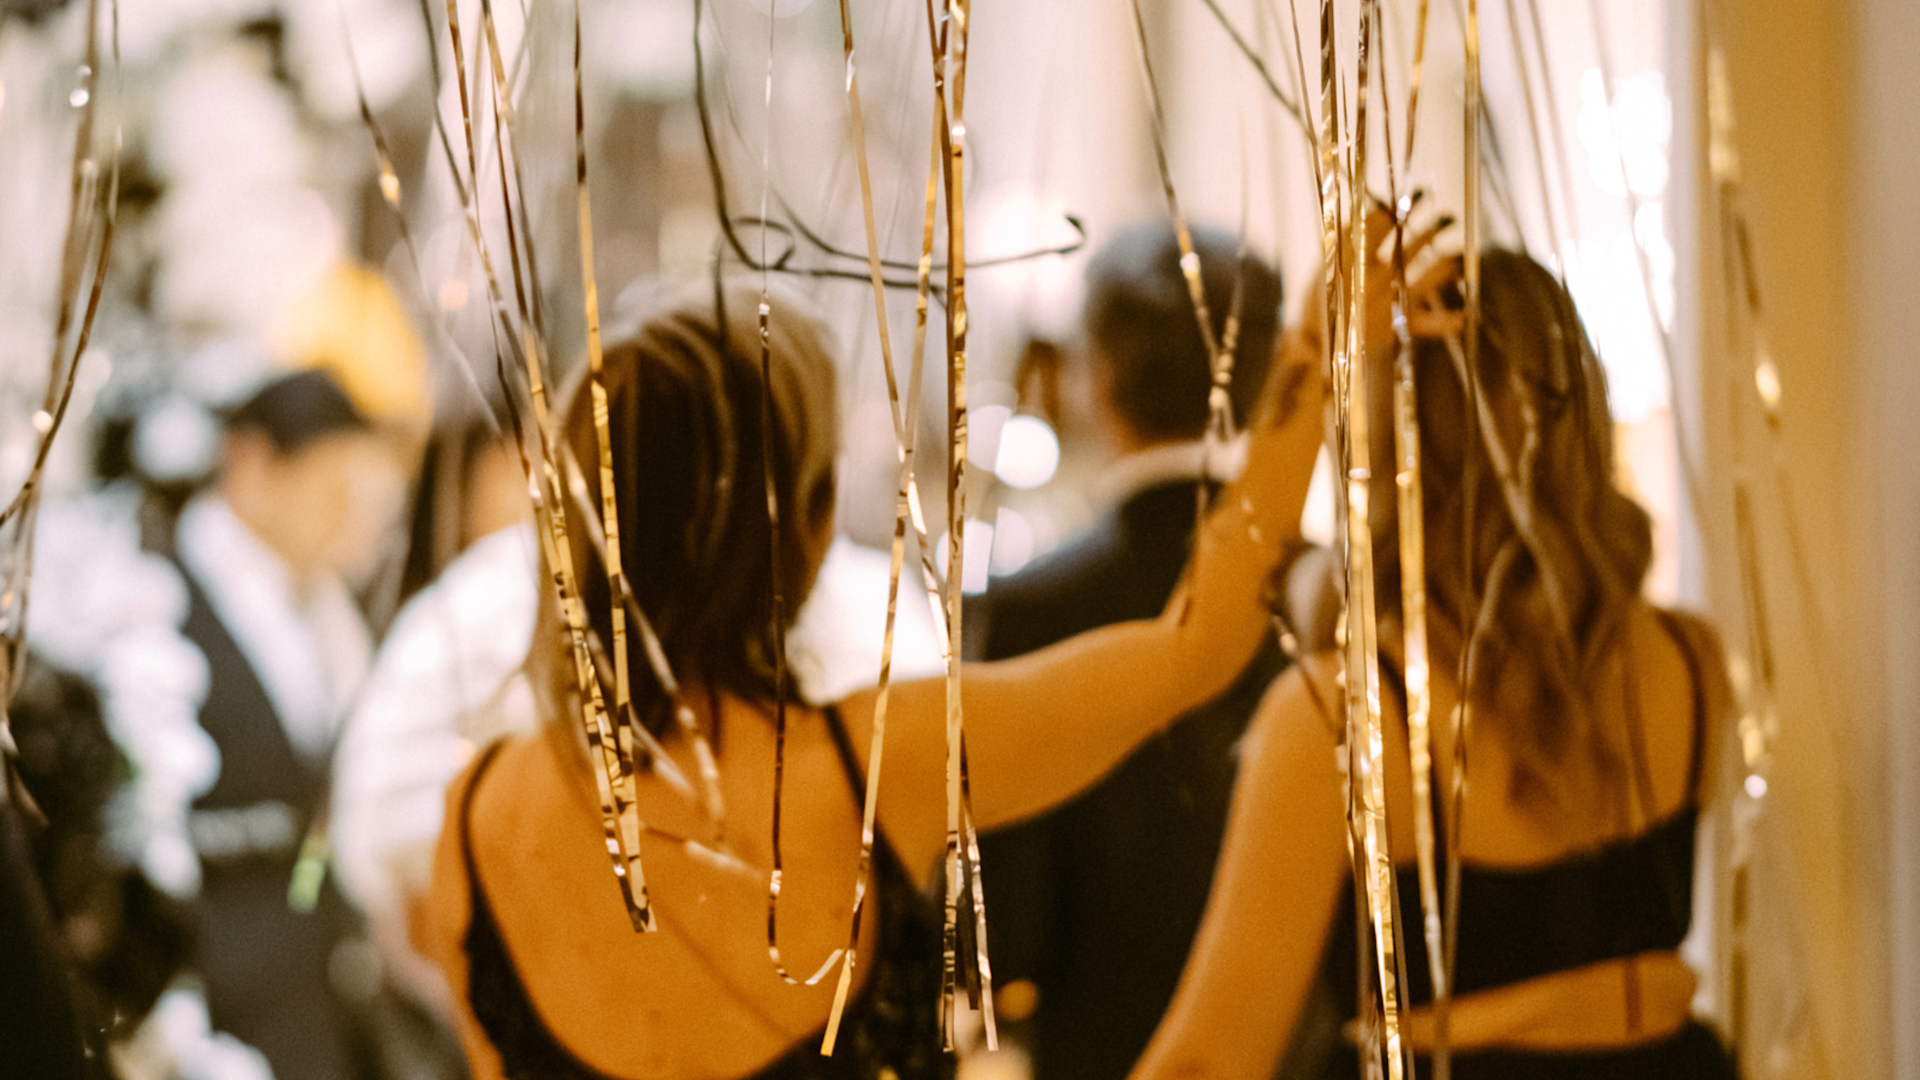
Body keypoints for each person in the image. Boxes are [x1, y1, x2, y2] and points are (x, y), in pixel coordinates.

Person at [413, 274, 1334, 1080]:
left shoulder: (478, 815)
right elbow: (1200, 645)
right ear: (803, 531)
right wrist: (1320, 352)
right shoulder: (880, 765)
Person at [1126, 246, 1741, 1080]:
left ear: (1380, 435)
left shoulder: (1341, 721)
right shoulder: (1692, 662)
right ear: (1580, 412)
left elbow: (1209, 1061)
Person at [968, 222, 1288, 1080]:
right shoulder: (1326, 593)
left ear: (1097, 377)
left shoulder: (1028, 607)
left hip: (1097, 1056)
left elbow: (1006, 920)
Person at [169, 366, 408, 1080]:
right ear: (252, 464)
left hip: (322, 995)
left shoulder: (329, 609)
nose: (354, 518)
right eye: (336, 491)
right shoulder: (157, 607)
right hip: (219, 997)